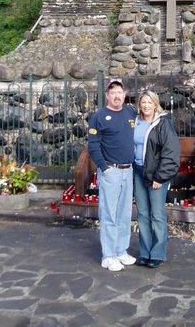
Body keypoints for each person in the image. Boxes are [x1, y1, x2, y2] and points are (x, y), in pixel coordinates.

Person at [87, 79, 137, 272]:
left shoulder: (131, 113)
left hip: (128, 170)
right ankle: (108, 255)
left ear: (124, 94)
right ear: (107, 95)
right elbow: (93, 144)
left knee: (124, 213)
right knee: (109, 214)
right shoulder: (99, 116)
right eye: (113, 92)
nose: (117, 95)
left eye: (120, 91)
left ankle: (121, 250)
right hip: (111, 171)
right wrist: (104, 167)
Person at [133, 90, 180, 269]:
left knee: (157, 214)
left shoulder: (162, 124)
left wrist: (161, 176)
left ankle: (158, 253)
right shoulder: (136, 122)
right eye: (143, 102)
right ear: (139, 104)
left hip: (156, 176)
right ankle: (145, 252)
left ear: (155, 104)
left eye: (149, 102)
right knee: (143, 214)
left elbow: (171, 152)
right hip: (138, 172)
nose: (146, 106)